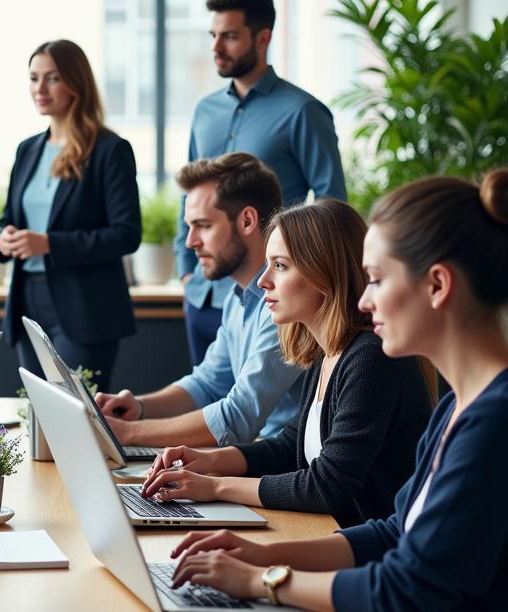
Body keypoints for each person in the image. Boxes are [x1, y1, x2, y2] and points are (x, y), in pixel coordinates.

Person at [169, 169, 508, 612]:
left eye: (375, 279)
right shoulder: (459, 408)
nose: (365, 297)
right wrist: (258, 557)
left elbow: (403, 590)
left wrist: (263, 581)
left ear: (438, 286)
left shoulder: (492, 422)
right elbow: (393, 532)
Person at [142, 199, 432, 527]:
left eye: (280, 265)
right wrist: (207, 460)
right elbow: (289, 445)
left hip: (374, 553)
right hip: (332, 534)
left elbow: (327, 486)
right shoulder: (330, 353)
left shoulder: (371, 358)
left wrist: (217, 486)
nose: (263, 280)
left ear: (325, 272)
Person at [176, 0, 346, 367]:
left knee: (254, 419)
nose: (217, 47)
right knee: (205, 406)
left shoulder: (303, 111)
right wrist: (186, 273)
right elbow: (188, 197)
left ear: (263, 38)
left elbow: (332, 205)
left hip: (268, 297)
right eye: (213, 36)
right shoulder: (204, 111)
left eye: (230, 37)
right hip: (203, 295)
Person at [96, 152, 303, 448]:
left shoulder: (285, 303)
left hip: (284, 471)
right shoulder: (238, 297)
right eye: (189, 226)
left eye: (203, 225)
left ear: (247, 220)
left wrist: (124, 434)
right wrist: (138, 408)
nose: (191, 241)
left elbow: (236, 418)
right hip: (255, 458)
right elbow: (207, 384)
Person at [0, 40, 140, 390]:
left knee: (79, 416)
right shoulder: (27, 149)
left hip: (85, 306)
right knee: (38, 415)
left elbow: (126, 233)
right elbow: (9, 217)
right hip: (28, 300)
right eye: (33, 78)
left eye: (52, 78)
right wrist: (4, 237)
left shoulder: (109, 150)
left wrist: (48, 244)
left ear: (76, 82)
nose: (39, 89)